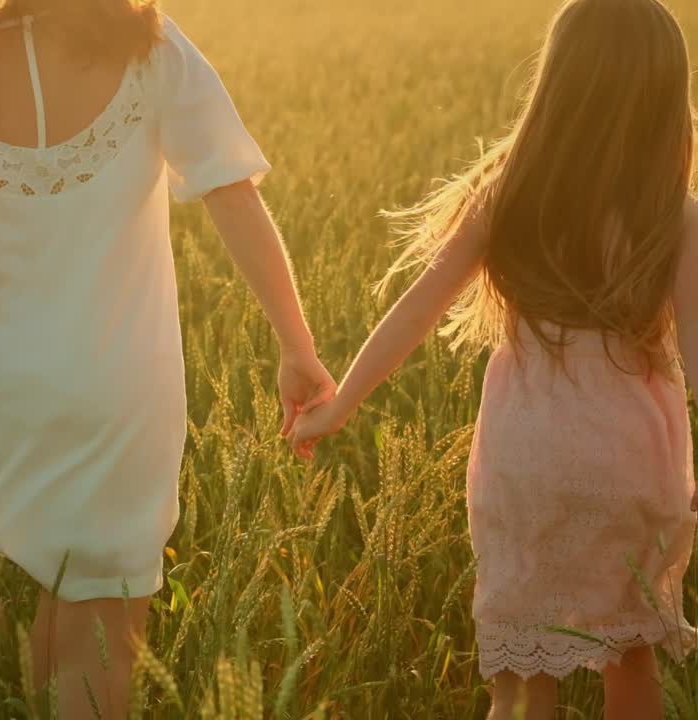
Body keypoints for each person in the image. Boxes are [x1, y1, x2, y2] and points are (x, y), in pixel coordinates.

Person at [0, 1, 334, 716]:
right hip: (114, 383)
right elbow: (230, 190)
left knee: (63, 590)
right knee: (104, 624)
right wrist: (297, 346)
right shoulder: (149, 51)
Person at [288, 1, 698, 717]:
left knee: (520, 676)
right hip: (634, 465)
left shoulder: (508, 194)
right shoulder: (677, 214)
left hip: (526, 463)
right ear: (667, 99)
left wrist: (339, 403)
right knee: (632, 662)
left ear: (557, 86)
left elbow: (416, 308)